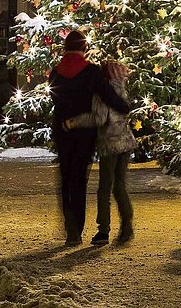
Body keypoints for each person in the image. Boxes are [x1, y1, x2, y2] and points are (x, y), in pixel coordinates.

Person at [50, 30, 130, 246]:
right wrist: (124, 106)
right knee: (79, 179)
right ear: (84, 48)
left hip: (62, 130)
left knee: (66, 177)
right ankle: (77, 227)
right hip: (84, 132)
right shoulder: (91, 71)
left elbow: (55, 98)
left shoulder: (56, 72)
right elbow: (108, 96)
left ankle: (71, 229)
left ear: (65, 47)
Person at [66, 60, 138, 245]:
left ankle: (103, 231)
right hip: (126, 142)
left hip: (110, 144)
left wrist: (73, 122)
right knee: (120, 185)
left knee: (104, 188)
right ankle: (127, 226)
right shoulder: (121, 89)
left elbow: (98, 118)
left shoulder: (103, 92)